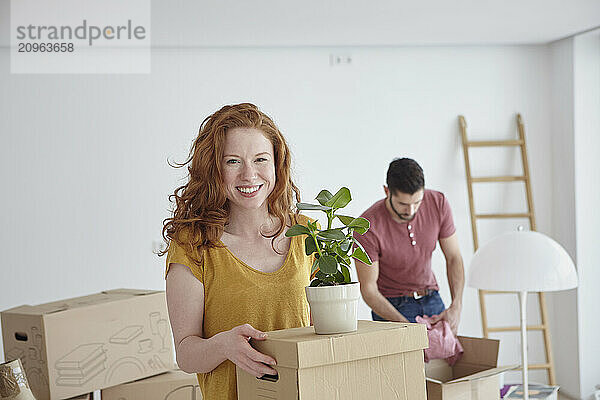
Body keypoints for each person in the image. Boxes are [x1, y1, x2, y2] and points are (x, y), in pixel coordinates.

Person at [160, 103, 315, 400]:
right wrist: (224, 346)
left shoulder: (308, 234)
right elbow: (186, 354)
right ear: (213, 168)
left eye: (260, 159)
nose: (249, 174)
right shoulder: (193, 245)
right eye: (233, 161)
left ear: (276, 165)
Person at [353, 158, 464, 334]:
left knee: (447, 358)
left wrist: (456, 306)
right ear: (386, 191)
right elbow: (368, 289)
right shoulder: (366, 226)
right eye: (403, 204)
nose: (411, 211)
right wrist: (405, 326)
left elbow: (454, 257)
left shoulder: (438, 202)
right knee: (410, 360)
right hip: (393, 307)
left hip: (431, 297)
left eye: (417, 202)